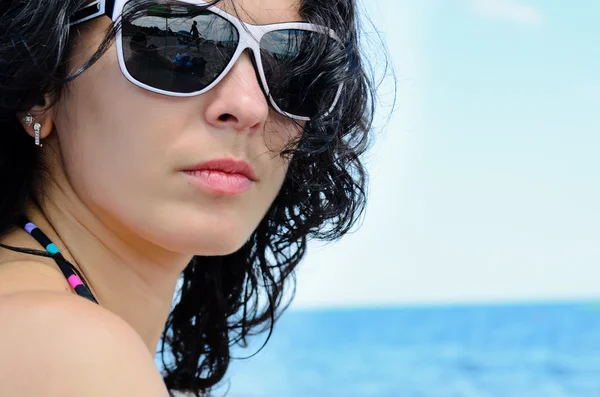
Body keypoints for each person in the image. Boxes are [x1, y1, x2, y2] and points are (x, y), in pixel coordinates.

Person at [0, 0, 376, 396]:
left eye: (292, 62)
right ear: (40, 88)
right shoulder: (61, 349)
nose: (250, 107)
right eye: (178, 45)